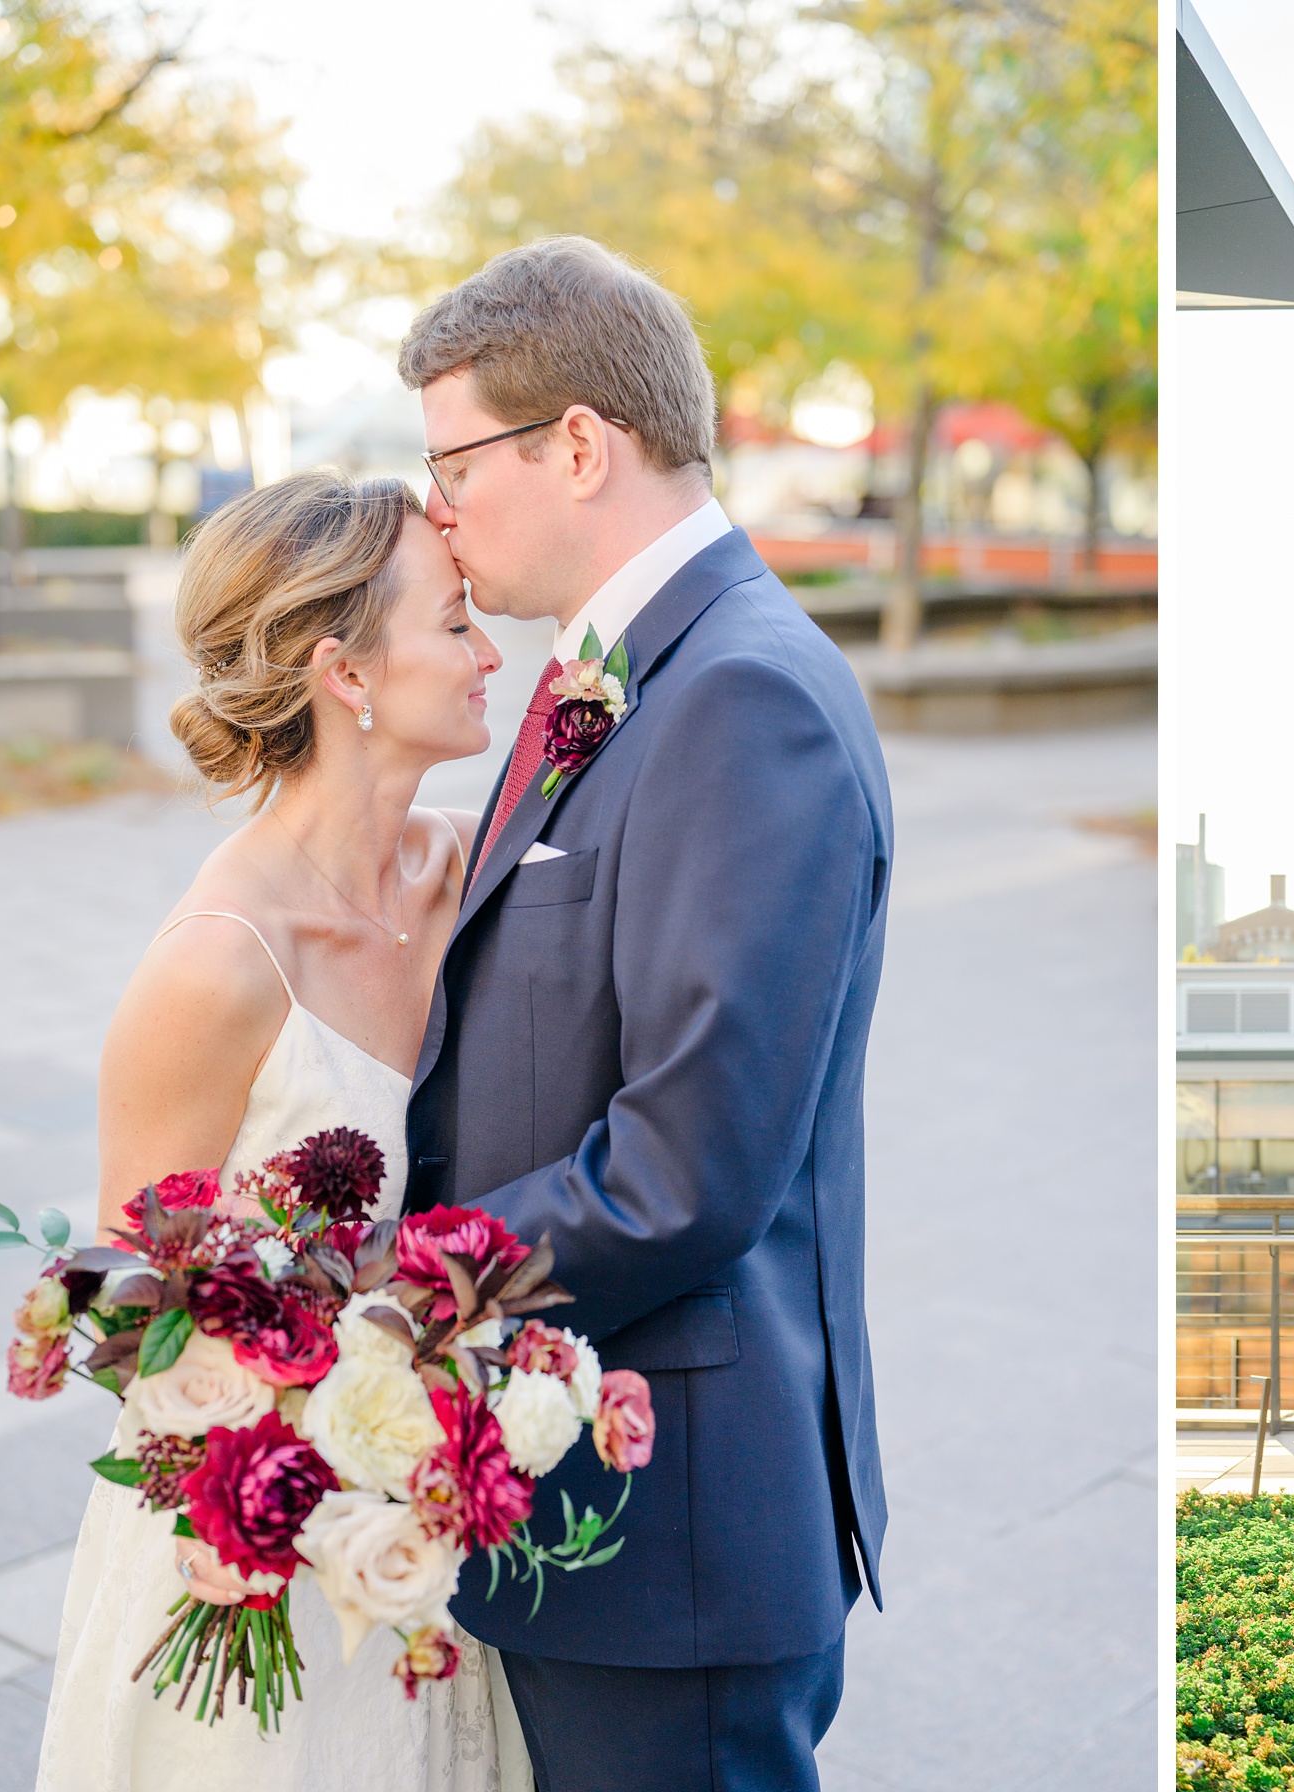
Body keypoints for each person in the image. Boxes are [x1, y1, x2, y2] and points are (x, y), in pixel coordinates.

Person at [398, 236, 891, 1792]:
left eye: (453, 463)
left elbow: (685, 1171)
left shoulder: (744, 697)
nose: (437, 511)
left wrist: (396, 1303)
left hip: (662, 1537)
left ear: (580, 445)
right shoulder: (626, 670)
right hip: (580, 1504)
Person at [37, 472, 530, 1789]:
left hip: (429, 1557)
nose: (491, 654)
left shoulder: (476, 873)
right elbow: (124, 1312)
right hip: (257, 1576)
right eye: (455, 623)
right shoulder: (217, 967)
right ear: (344, 672)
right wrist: (334, 1399)